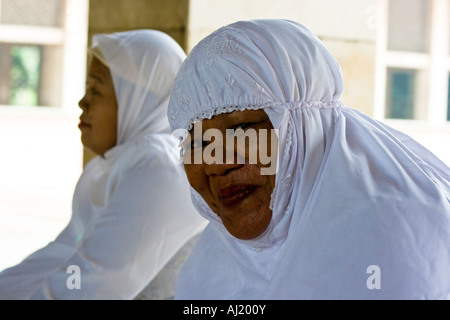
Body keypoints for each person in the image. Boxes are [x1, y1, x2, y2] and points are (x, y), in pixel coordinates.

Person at [167, 19, 450, 299]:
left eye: (242, 128)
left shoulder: (387, 245)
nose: (216, 164)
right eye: (197, 143)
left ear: (306, 126)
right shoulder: (214, 259)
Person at [0, 29, 206, 299]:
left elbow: (90, 284)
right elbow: (60, 257)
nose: (82, 103)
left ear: (137, 100)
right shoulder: (118, 165)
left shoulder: (161, 169)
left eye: (95, 90)